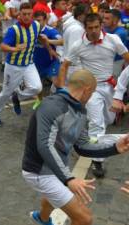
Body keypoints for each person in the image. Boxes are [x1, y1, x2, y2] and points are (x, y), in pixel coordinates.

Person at [22, 69, 129, 225]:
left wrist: (114, 148)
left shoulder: (80, 110)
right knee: (84, 218)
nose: (91, 97)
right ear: (87, 90)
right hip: (39, 171)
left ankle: (41, 219)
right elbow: (45, 145)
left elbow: (82, 146)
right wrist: (69, 179)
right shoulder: (52, 106)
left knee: (53, 197)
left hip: (56, 170)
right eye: (92, 93)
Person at [56, 13, 129, 178]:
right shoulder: (78, 45)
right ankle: (98, 159)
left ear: (101, 25)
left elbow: (127, 58)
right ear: (85, 28)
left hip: (110, 86)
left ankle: (88, 134)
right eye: (90, 28)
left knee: (109, 120)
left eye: (97, 27)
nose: (94, 31)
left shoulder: (114, 40)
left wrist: (123, 87)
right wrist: (61, 90)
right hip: (91, 88)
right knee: (97, 123)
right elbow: (64, 66)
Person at [0, 2, 52, 126]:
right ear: (19, 14)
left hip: (29, 64)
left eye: (29, 14)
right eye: (24, 14)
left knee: (37, 88)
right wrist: (15, 49)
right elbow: (3, 46)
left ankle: (17, 96)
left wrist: (50, 49)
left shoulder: (36, 25)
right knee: (5, 93)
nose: (26, 16)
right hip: (13, 65)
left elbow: (40, 37)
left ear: (32, 14)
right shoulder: (13, 30)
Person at [32, 10, 62, 109]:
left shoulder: (51, 31)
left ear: (45, 20)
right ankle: (39, 100)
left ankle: (60, 102)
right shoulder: (31, 31)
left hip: (51, 62)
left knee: (57, 83)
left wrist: (48, 41)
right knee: (38, 87)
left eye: (39, 20)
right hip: (37, 63)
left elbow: (62, 41)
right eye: (35, 21)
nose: (37, 23)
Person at [103, 9, 128, 77]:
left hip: (117, 62)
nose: (103, 20)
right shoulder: (105, 29)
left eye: (107, 18)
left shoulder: (120, 33)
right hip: (108, 62)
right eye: (103, 18)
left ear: (115, 21)